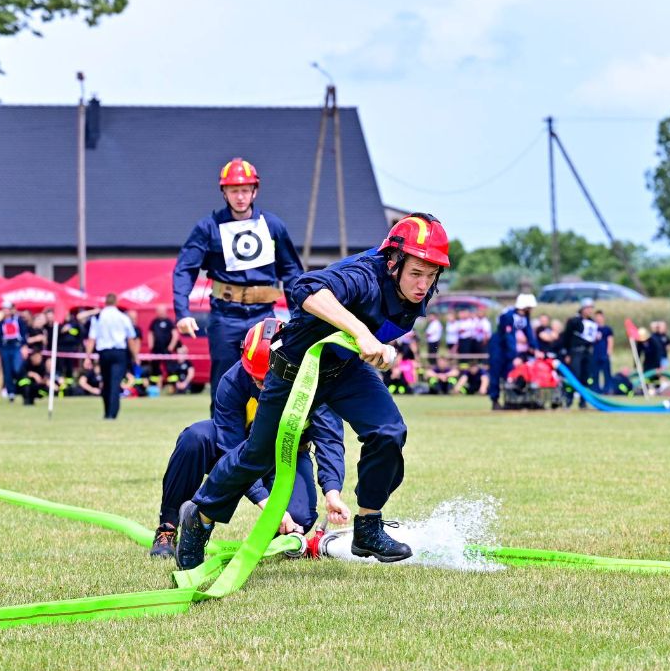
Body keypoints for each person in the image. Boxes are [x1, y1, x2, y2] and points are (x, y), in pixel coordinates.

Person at [176, 212, 450, 569]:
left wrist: (381, 351)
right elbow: (305, 288)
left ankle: (368, 527)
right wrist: (363, 334)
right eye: (416, 273)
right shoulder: (363, 275)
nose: (423, 284)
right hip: (295, 369)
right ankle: (199, 516)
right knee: (258, 457)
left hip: (343, 370)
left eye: (431, 275)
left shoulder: (415, 289)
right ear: (392, 262)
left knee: (389, 432)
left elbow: (380, 328)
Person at [150, 319, 347, 558]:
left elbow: (329, 440)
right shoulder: (232, 381)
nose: (263, 386)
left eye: (269, 378)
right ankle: (168, 527)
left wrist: (332, 492)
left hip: (286, 455)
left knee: (299, 519)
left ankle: (272, 540)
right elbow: (231, 449)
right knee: (195, 438)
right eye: (257, 378)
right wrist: (266, 503)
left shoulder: (315, 381)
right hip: (239, 450)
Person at [173, 158, 304, 404]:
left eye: (245, 190)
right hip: (224, 317)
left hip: (264, 318)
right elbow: (184, 269)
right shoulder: (207, 227)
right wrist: (182, 312)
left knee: (267, 383)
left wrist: (300, 317)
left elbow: (291, 272)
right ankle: (222, 431)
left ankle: (261, 430)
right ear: (224, 193)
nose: (240, 197)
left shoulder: (273, 226)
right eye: (234, 191)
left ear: (255, 191)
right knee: (224, 386)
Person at [87, 294, 135, 420]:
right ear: (116, 302)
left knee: (106, 382)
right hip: (119, 352)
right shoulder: (122, 316)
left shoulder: (98, 317)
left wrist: (87, 356)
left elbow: (91, 339)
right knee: (115, 382)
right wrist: (135, 356)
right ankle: (112, 413)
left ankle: (107, 411)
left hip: (104, 353)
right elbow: (131, 338)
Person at [488, 293, 538, 411]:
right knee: (496, 373)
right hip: (499, 347)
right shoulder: (508, 316)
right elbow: (508, 336)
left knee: (511, 374)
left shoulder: (524, 317)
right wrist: (514, 356)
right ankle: (495, 400)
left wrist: (534, 348)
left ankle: (511, 400)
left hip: (509, 349)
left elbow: (528, 332)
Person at [560, 299, 598, 409]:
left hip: (587, 353)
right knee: (574, 376)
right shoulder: (574, 321)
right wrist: (566, 353)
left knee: (586, 377)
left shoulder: (592, 322)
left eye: (591, 308)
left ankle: (583, 401)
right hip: (575, 352)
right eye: (587, 308)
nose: (589, 310)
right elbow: (566, 337)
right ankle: (569, 400)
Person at [0, 302, 27, 401]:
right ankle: (11, 392)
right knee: (7, 370)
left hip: (16, 347)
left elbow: (24, 335)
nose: (6, 311)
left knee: (17, 368)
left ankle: (20, 388)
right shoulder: (0, 324)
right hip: (5, 348)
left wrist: (24, 346)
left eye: (8, 309)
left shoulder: (19, 321)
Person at [144, 304, 177, 388]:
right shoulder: (154, 322)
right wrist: (151, 345)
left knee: (170, 368)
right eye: (159, 311)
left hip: (166, 349)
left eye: (162, 311)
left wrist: (171, 346)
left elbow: (175, 334)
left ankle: (172, 386)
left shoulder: (169, 322)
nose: (160, 313)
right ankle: (154, 386)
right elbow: (150, 334)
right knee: (155, 368)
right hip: (156, 349)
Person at [55, 308, 87, 382]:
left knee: (70, 367)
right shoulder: (59, 323)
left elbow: (80, 334)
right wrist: (62, 331)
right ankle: (60, 382)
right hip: (61, 349)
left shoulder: (75, 323)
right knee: (60, 367)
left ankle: (69, 383)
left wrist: (70, 330)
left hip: (72, 349)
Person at [592, 310, 614, 394]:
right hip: (595, 354)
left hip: (604, 353)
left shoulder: (607, 329)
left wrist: (609, 351)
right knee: (595, 372)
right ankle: (596, 389)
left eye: (600, 317)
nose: (598, 319)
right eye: (597, 317)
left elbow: (610, 340)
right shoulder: (593, 328)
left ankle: (607, 389)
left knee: (606, 372)